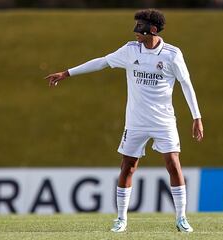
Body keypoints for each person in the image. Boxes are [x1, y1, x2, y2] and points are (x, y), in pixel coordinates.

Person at [45, 9, 203, 233]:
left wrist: (197, 117)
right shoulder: (130, 50)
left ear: (154, 30)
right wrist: (67, 73)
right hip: (136, 122)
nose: (136, 32)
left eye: (140, 27)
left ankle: (181, 218)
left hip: (163, 121)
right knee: (128, 167)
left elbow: (187, 85)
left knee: (173, 165)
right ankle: (121, 219)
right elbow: (102, 62)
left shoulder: (172, 54)